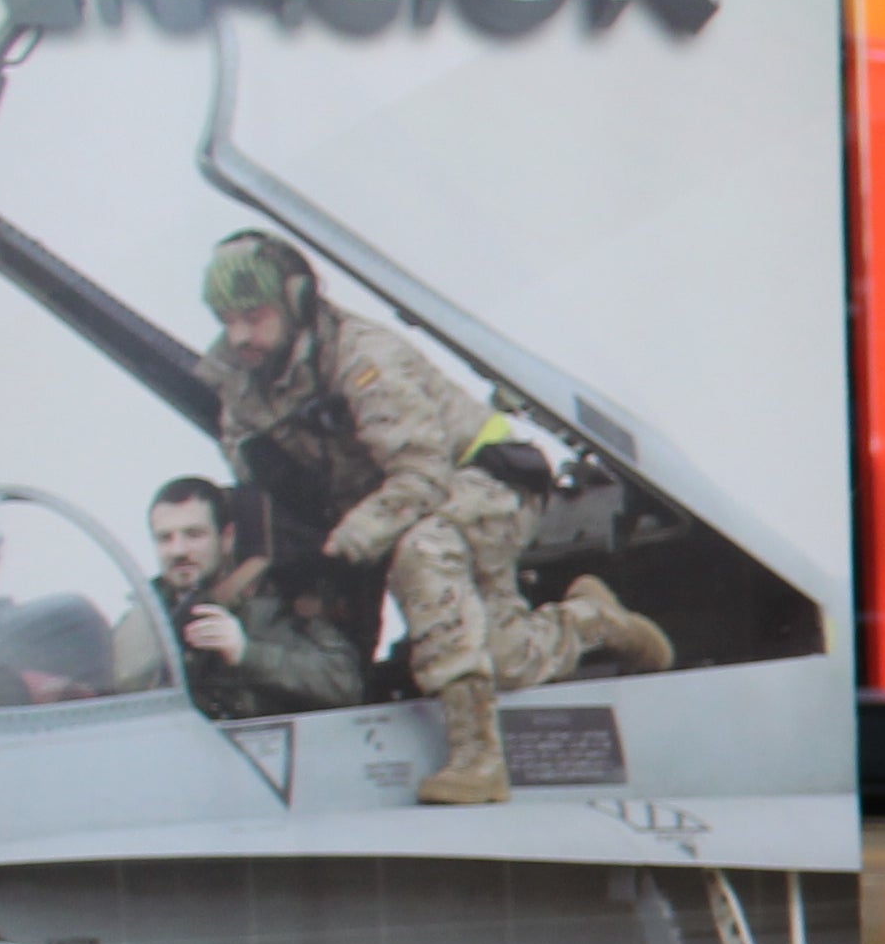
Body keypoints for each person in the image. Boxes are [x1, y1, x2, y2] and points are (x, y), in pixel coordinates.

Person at [197, 228, 667, 806]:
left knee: (423, 550)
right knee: (502, 658)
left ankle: (476, 758)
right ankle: (595, 621)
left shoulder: (365, 359)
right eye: (226, 318)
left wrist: (348, 544)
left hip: (486, 480)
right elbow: (255, 473)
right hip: (409, 500)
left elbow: (421, 478)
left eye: (253, 314)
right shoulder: (239, 379)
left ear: (295, 301)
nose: (239, 334)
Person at [143, 476, 362, 720]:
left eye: (194, 535)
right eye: (165, 538)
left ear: (226, 538)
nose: (178, 551)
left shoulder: (282, 605)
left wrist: (246, 652)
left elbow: (346, 684)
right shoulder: (147, 612)